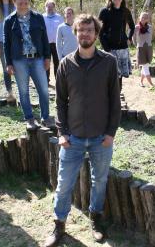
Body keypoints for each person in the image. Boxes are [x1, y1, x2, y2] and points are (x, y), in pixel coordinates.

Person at [45, 14, 121, 246]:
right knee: (64, 183)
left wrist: (110, 133)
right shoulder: (66, 64)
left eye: (90, 30)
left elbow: (114, 101)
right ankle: (59, 225)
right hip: (73, 138)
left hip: (101, 138)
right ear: (75, 33)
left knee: (100, 182)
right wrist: (62, 133)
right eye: (81, 30)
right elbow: (60, 102)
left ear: (96, 34)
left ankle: (95, 218)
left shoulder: (108, 62)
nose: (85, 34)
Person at [4, 0, 53, 128]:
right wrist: (9, 63)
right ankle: (29, 119)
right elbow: (6, 43)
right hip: (19, 61)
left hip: (37, 59)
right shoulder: (9, 21)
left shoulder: (38, 17)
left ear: (29, 0)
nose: (23, 1)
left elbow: (45, 38)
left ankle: (45, 117)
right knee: (23, 91)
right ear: (14, 1)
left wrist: (47, 57)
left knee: (43, 89)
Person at [98, 0, 135, 90]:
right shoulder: (104, 11)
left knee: (119, 79)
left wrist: (129, 38)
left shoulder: (126, 11)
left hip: (122, 49)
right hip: (109, 49)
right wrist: (106, 49)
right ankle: (108, 102)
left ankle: (116, 103)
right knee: (109, 78)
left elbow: (132, 27)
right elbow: (99, 32)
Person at [43, 0, 64, 83]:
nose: (50, 8)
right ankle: (46, 80)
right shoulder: (42, 17)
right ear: (45, 7)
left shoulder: (59, 17)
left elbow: (62, 30)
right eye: (48, 6)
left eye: (51, 6)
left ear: (54, 7)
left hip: (56, 44)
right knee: (46, 62)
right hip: (45, 44)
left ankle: (57, 80)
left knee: (57, 62)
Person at [133, 11, 154, 87]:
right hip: (141, 48)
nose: (144, 19)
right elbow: (133, 38)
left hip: (148, 48)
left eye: (146, 17)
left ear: (148, 19)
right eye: (142, 17)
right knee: (145, 66)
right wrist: (137, 45)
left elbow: (150, 37)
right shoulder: (136, 27)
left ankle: (141, 82)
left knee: (146, 65)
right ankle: (151, 84)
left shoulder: (150, 27)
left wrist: (149, 45)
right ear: (139, 18)